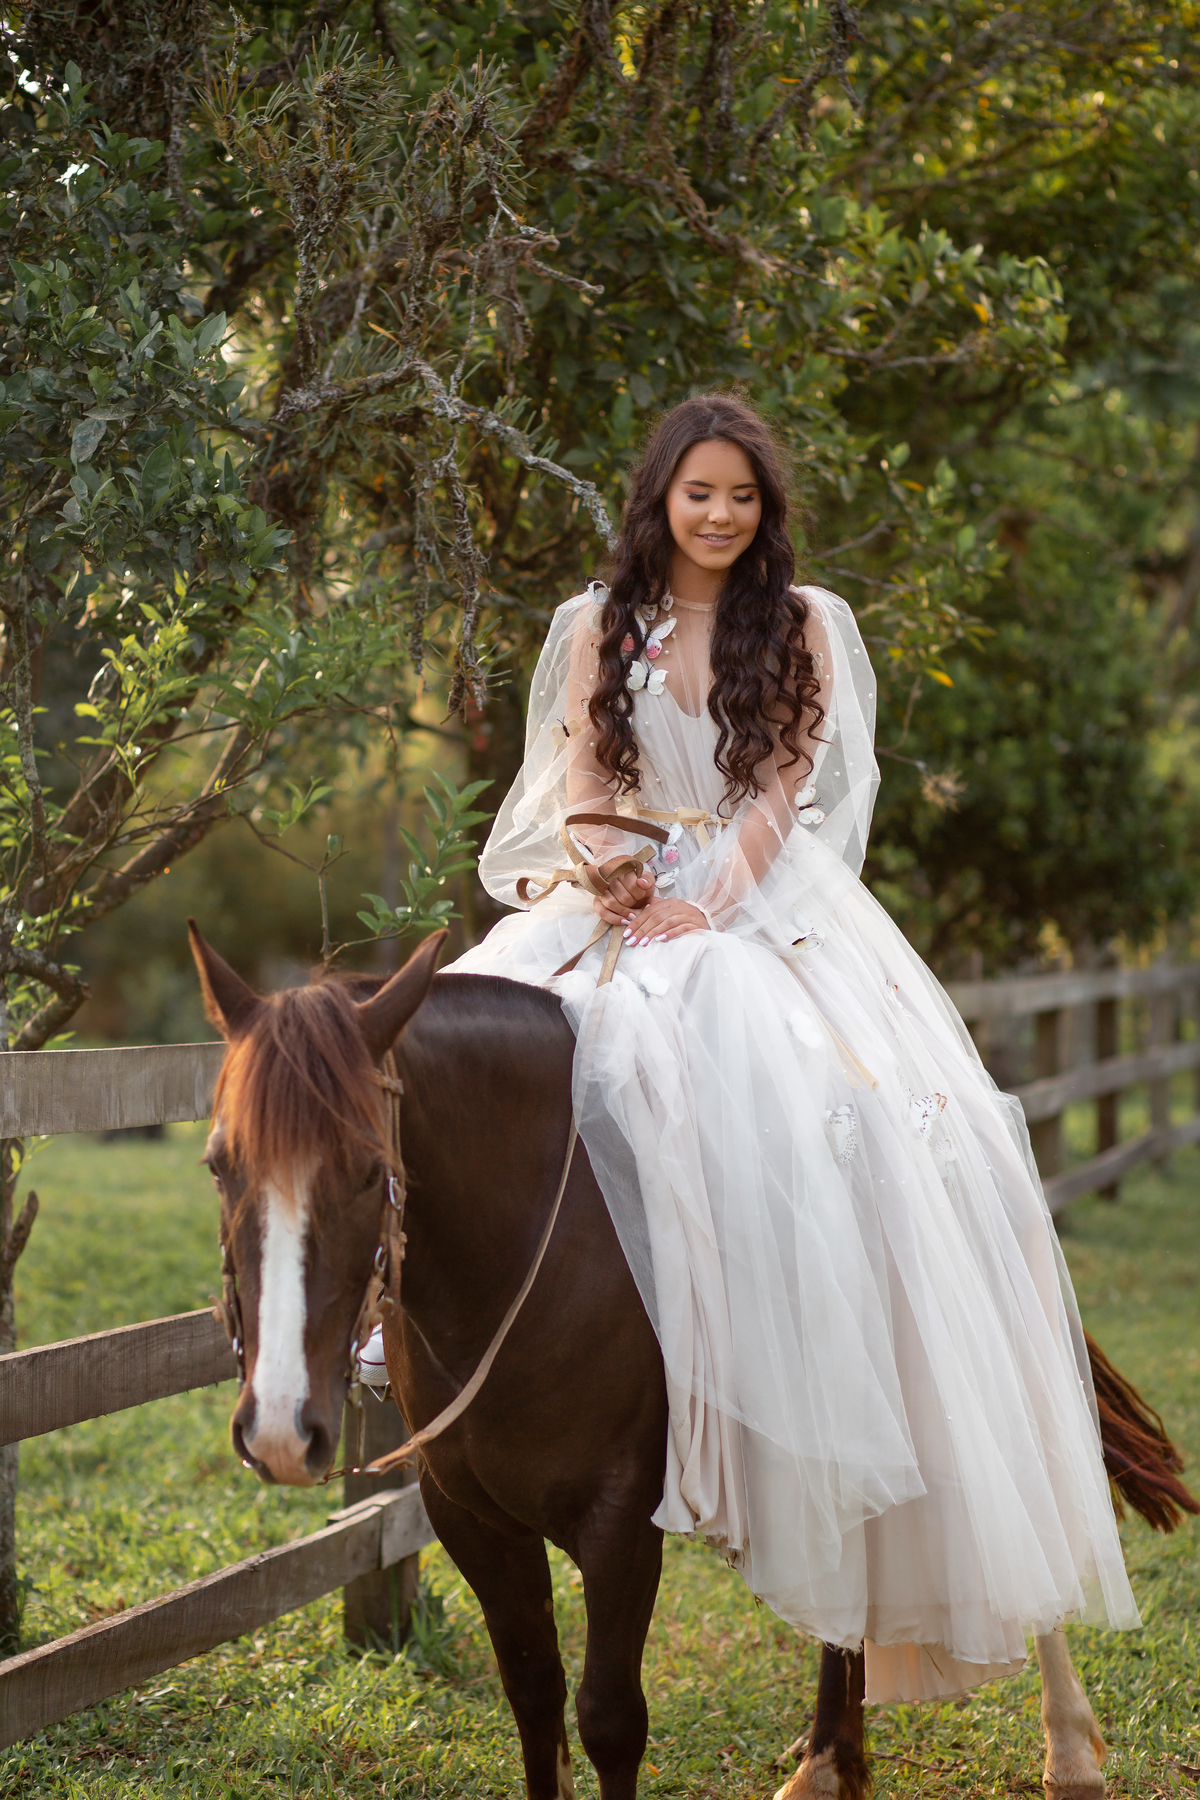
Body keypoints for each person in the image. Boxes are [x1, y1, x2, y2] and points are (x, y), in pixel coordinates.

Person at [444, 394, 1138, 1703]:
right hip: (618, 890)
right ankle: (422, 1343)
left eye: (741, 496)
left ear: (764, 509)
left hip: (760, 897)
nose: (718, 514)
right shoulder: (602, 625)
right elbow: (586, 783)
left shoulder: (803, 624)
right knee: (478, 1048)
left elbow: (776, 791)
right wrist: (609, 871)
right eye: (697, 492)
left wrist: (712, 898)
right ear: (660, 496)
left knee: (850, 1107)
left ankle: (805, 1360)